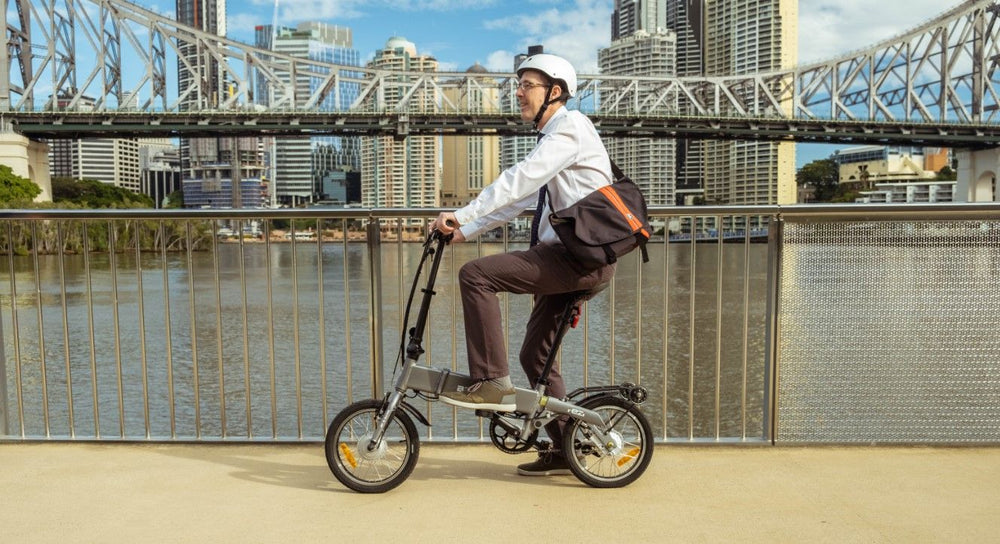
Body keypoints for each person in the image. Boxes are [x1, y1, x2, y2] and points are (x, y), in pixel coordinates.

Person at [431, 52, 616, 476]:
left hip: (574, 260)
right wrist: (464, 231)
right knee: (536, 357)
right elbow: (519, 201)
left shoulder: (569, 129)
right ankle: (570, 449)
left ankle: (491, 381)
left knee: (476, 275)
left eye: (526, 85)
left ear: (555, 92)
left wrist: (460, 213)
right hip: (571, 261)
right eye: (518, 85)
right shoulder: (556, 139)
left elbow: (519, 178)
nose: (517, 92)